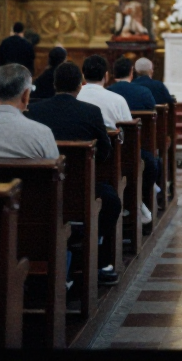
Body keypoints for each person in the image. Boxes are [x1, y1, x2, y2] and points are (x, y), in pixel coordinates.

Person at [28, 62, 121, 284]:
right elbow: (106, 152)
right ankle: (99, 260)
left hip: (41, 189)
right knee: (111, 201)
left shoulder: (34, 110)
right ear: (80, 86)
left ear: (54, 84)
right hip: (80, 189)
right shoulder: (90, 112)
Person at [102, 56, 161, 223]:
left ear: (112, 74)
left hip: (108, 150)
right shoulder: (143, 92)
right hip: (130, 148)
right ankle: (139, 199)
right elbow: (151, 115)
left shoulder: (109, 92)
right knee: (149, 161)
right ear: (131, 72)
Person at [77, 55, 133, 128]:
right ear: (106, 75)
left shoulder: (75, 96)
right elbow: (129, 129)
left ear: (83, 76)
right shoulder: (118, 100)